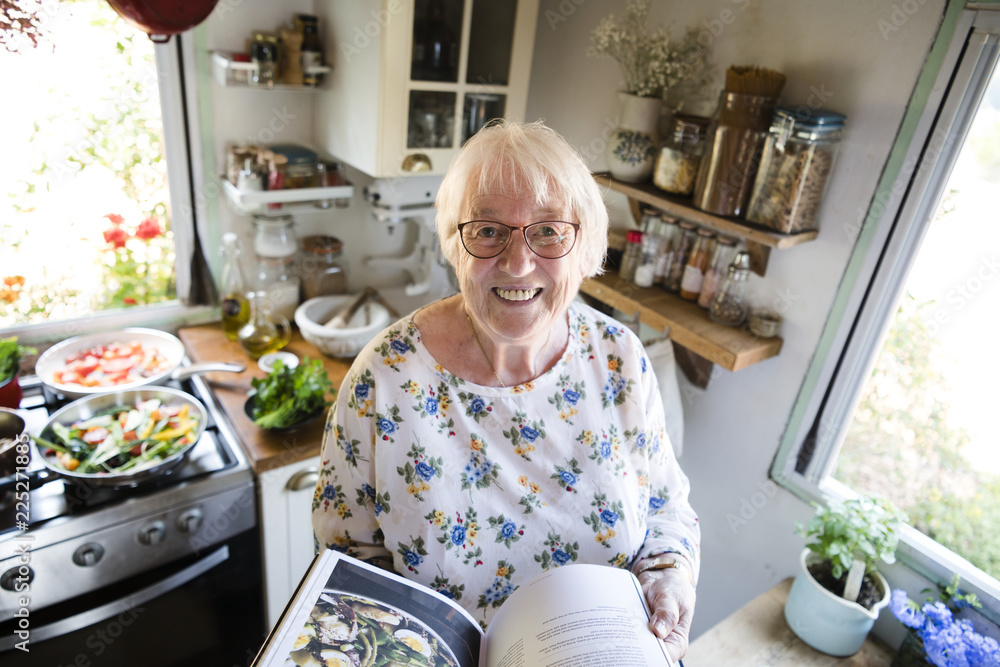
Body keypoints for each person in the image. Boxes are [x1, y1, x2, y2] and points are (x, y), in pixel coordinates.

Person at [312, 119, 700, 661]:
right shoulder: (384, 378)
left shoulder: (620, 359)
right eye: (488, 230)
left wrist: (671, 575)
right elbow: (346, 560)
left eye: (547, 230)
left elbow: (665, 509)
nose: (518, 263)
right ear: (453, 242)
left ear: (582, 244)